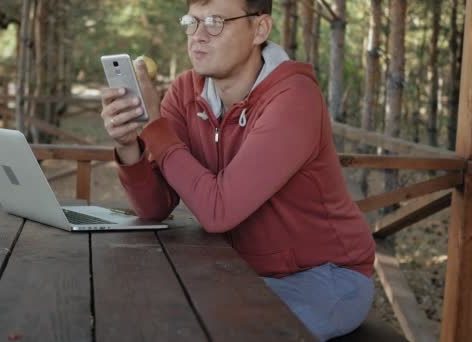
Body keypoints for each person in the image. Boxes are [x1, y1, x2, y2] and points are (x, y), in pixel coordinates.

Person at [100, 0, 375, 340]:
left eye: (215, 22)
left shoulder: (294, 97)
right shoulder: (187, 91)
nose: (197, 36)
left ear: (259, 29)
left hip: (324, 275)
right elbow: (155, 206)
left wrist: (156, 128)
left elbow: (219, 211)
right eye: (192, 21)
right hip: (238, 269)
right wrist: (130, 145)